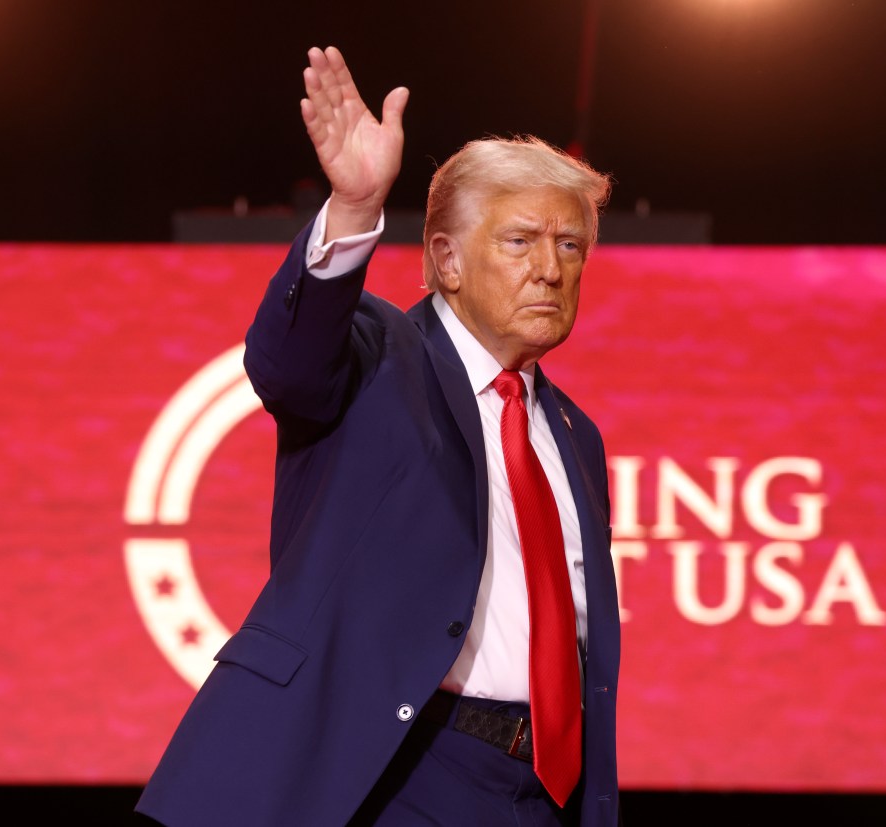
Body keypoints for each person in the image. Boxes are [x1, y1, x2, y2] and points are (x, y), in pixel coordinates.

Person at [137, 46, 620, 827]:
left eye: (570, 247)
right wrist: (356, 208)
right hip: (389, 772)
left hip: (538, 795)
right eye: (520, 240)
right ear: (447, 260)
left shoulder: (576, 436)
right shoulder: (376, 353)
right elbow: (287, 365)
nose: (551, 270)